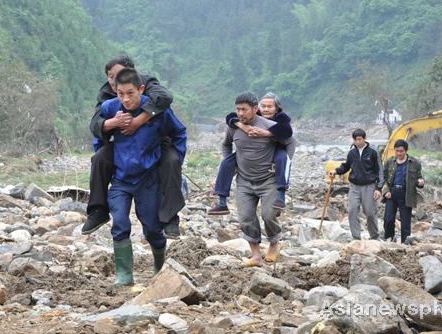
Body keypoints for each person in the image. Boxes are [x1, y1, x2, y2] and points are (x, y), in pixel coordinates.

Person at [100, 68, 187, 286]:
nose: (126, 99)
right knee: (119, 222)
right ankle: (124, 276)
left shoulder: (157, 110)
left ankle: (159, 268)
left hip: (148, 179)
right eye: (120, 94)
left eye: (130, 93)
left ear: (140, 89)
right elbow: (99, 136)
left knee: (152, 229)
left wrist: (174, 163)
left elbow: (179, 133)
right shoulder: (111, 108)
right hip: (120, 180)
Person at [82, 56, 185, 238]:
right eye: (110, 76)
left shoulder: (146, 83)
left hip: (156, 140)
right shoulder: (107, 94)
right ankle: (98, 211)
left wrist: (138, 121)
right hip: (124, 143)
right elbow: (96, 124)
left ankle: (170, 217)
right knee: (99, 159)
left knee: (171, 161)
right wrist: (113, 123)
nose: (114, 81)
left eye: (118, 74)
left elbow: (165, 99)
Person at [223, 92, 296, 267]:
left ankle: (274, 243)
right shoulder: (234, 126)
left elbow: (290, 141)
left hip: (269, 180)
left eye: (244, 110)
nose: (240, 113)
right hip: (244, 181)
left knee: (268, 215)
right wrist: (229, 161)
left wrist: (284, 164)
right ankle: (256, 255)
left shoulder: (271, 126)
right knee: (245, 218)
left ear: (255, 110)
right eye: (238, 109)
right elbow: (226, 144)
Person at [208, 92, 295, 215]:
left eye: (270, 107)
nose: (266, 109)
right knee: (226, 163)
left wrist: (267, 133)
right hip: (245, 170)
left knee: (282, 160)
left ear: (277, 108)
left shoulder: (280, 119)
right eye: (263, 106)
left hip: (277, 149)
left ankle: (281, 194)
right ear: (257, 108)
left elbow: (288, 133)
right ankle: (221, 201)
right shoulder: (249, 117)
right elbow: (230, 118)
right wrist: (242, 126)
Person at [329, 129, 383, 240]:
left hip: (369, 186)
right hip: (354, 186)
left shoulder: (373, 152)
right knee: (352, 210)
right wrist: (336, 171)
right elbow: (346, 166)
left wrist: (379, 188)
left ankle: (374, 236)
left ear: (364, 138)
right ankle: (356, 237)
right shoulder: (352, 153)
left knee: (369, 212)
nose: (357, 142)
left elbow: (379, 171)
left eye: (359, 139)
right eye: (355, 140)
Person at [382, 139, 424, 243]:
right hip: (391, 194)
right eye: (397, 151)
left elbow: (419, 178)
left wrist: (421, 182)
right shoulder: (389, 162)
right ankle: (389, 239)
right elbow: (383, 179)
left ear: (406, 151)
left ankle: (405, 243)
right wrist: (386, 191)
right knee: (388, 219)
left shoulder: (415, 163)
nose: (399, 153)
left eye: (401, 151)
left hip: (406, 195)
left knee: (405, 222)